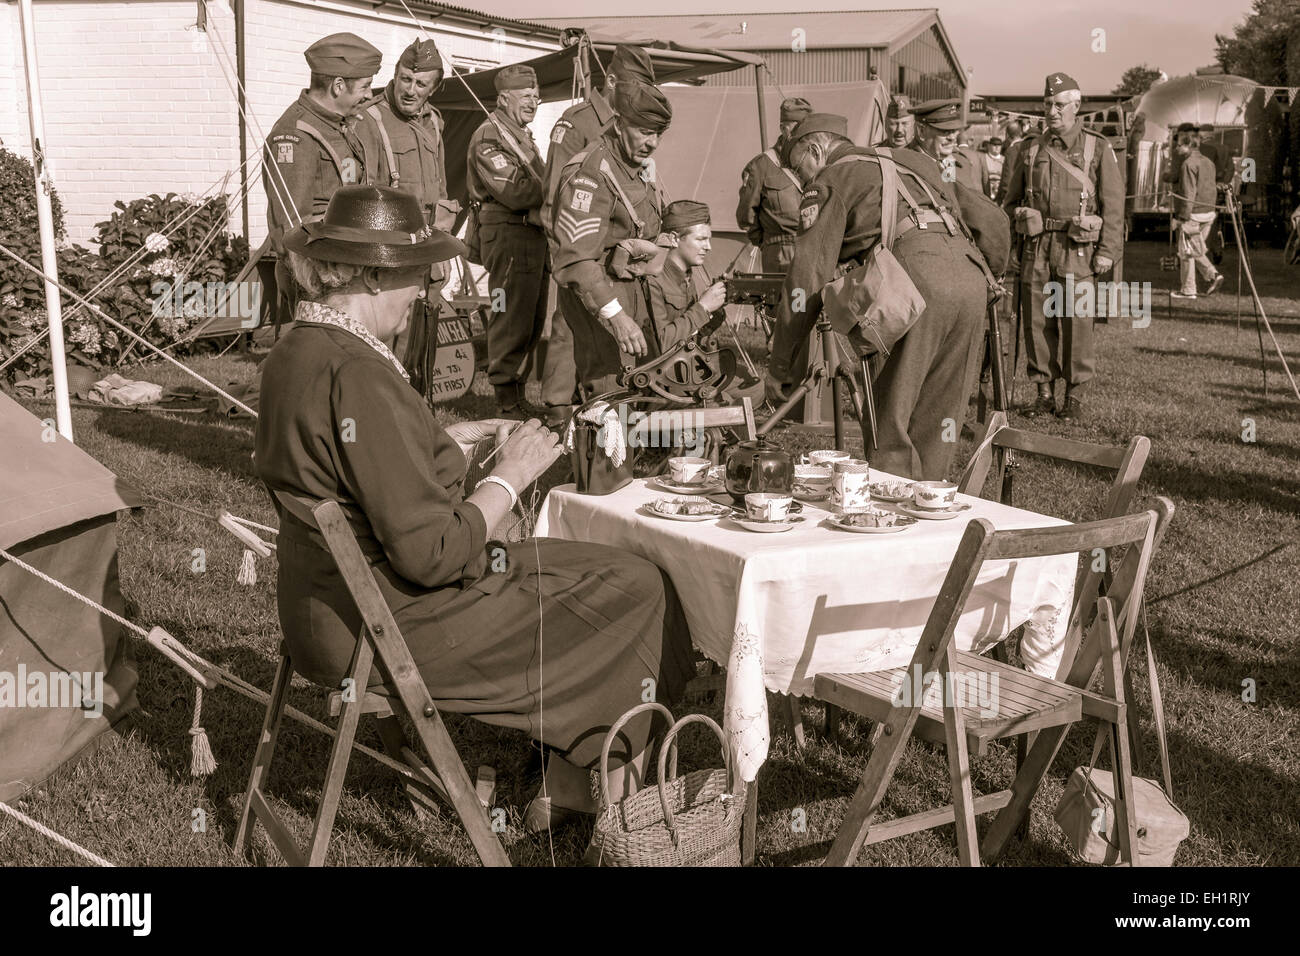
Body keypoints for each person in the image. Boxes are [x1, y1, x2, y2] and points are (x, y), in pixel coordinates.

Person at [255, 185, 694, 833]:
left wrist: (443, 442)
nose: (428, 291)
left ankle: (575, 774)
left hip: (325, 608)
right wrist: (513, 476)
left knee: (607, 572)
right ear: (374, 276)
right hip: (386, 622)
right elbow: (434, 554)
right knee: (637, 587)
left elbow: (350, 467)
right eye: (418, 274)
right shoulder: (357, 372)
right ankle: (597, 787)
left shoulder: (298, 349)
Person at [769, 113, 1008, 480]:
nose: (798, 179)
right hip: (970, 278)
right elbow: (993, 221)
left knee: (889, 420)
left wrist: (782, 366)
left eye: (796, 167)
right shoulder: (912, 159)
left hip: (909, 284)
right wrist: (982, 272)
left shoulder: (830, 179)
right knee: (939, 416)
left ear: (816, 150)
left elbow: (807, 277)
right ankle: (930, 505)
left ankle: (889, 511)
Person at [539, 45, 657, 426]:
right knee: (568, 328)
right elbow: (558, 194)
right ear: (611, 81)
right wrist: (571, 255)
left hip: (613, 258)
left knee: (595, 340)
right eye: (633, 86)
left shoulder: (635, 123)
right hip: (578, 244)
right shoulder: (577, 124)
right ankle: (558, 412)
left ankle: (597, 419)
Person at [1000, 72, 1123, 420]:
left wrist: (1108, 251)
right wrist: (1015, 229)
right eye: (1047, 105)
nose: (1051, 111)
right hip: (1036, 248)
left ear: (1076, 106)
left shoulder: (1097, 147)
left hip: (1078, 249)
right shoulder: (1028, 149)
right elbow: (1008, 202)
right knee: (1037, 322)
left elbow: (1114, 205)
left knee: (1076, 323)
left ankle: (1075, 396)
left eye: (1058, 105)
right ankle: (1043, 393)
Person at [551, 81, 672, 396]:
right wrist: (616, 317)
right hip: (601, 295)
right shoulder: (590, 174)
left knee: (639, 392)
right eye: (645, 132)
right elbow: (576, 259)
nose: (653, 143)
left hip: (631, 288)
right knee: (611, 393)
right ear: (619, 124)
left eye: (658, 134)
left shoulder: (630, 166)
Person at [263, 33, 389, 328]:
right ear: (338, 86)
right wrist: (326, 281)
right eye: (366, 86)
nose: (370, 95)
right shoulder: (296, 135)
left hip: (347, 267)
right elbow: (292, 228)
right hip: (321, 278)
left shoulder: (344, 125)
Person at [359, 39, 455, 383]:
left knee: (420, 337)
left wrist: (440, 245)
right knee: (382, 342)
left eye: (420, 84)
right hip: (391, 251)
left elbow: (440, 187)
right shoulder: (370, 120)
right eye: (404, 79)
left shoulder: (434, 122)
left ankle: (415, 406)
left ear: (435, 87)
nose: (410, 90)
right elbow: (364, 193)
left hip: (427, 248)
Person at [466, 64, 549, 417]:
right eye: (526, 96)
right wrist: (556, 186)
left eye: (536, 96)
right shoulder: (490, 136)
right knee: (508, 315)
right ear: (503, 98)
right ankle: (505, 401)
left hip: (530, 237)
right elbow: (517, 191)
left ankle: (517, 397)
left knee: (530, 319)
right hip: (509, 237)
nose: (534, 102)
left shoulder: (520, 135)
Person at [736, 97, 814, 274]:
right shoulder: (762, 166)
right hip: (781, 253)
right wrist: (772, 244)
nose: (804, 135)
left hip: (813, 251)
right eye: (798, 128)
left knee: (810, 302)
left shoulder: (816, 163)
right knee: (788, 302)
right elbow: (746, 217)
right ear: (783, 129)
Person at [1169, 129, 1224, 300]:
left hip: (1194, 214)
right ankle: (1204, 280)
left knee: (1186, 252)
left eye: (1178, 145)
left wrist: (1179, 219)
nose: (1176, 149)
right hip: (1209, 213)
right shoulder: (1208, 162)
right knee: (1195, 250)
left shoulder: (1188, 164)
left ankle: (1191, 288)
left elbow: (1189, 194)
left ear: (1187, 146)